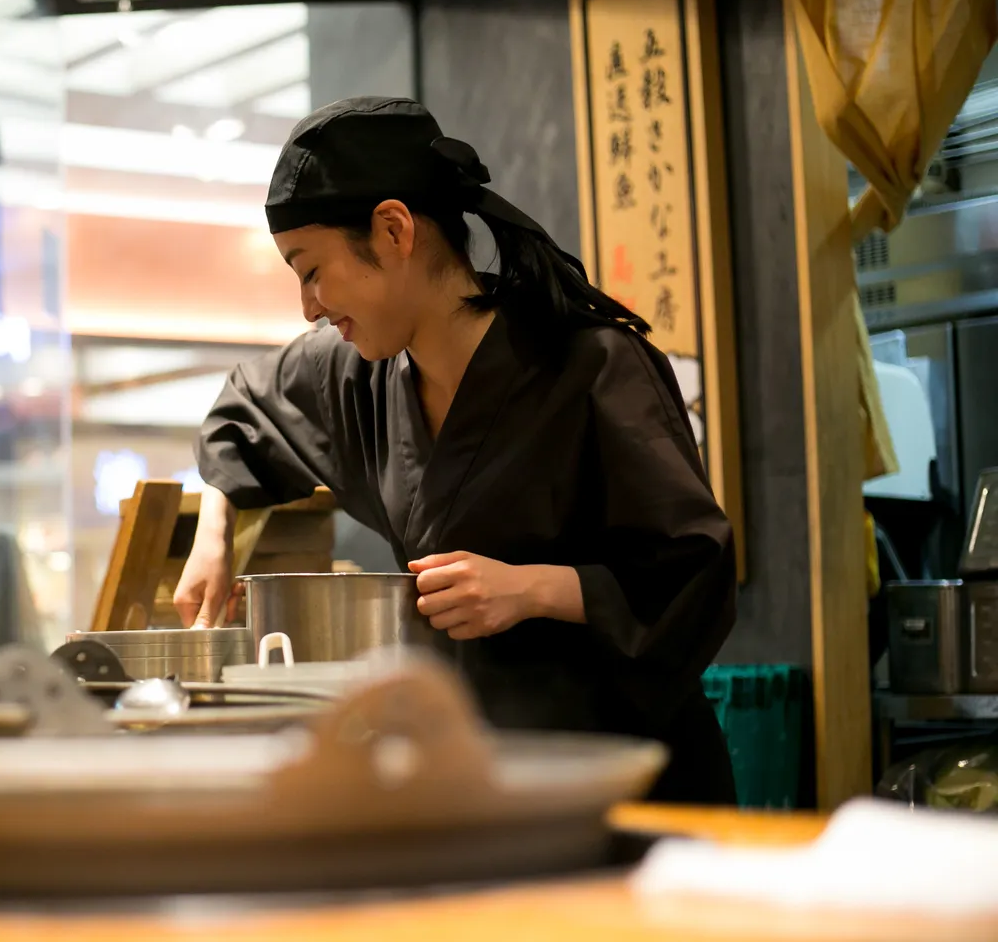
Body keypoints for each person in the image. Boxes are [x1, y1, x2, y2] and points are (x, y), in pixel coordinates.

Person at [174, 97, 737, 804]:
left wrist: (531, 588)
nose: (308, 306)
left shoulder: (593, 365)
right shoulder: (356, 372)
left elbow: (695, 575)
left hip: (631, 786)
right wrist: (214, 532)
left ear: (393, 228)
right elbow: (244, 406)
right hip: (484, 786)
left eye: (311, 269)